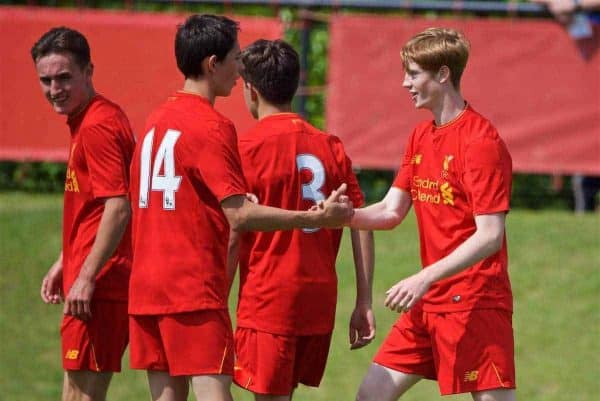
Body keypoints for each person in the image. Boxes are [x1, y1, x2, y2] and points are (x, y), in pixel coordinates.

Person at [127, 15, 353, 401]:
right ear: (212, 64)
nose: (239, 70)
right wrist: (314, 217)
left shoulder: (154, 120)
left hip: (146, 286)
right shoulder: (213, 126)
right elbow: (240, 216)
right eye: (234, 59)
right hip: (191, 290)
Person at [349, 28, 516, 401]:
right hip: (429, 304)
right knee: (370, 396)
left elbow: (490, 235)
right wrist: (341, 216)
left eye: (413, 73)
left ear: (442, 74)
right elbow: (391, 211)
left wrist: (423, 278)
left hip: (475, 302)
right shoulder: (420, 136)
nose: (404, 83)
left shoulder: (481, 142)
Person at [228, 39, 375, 401]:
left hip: (268, 300)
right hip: (318, 300)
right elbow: (362, 221)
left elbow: (232, 226)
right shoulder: (330, 145)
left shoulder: (244, 149)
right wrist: (364, 301)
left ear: (251, 90)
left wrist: (217, 302)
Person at [32, 27, 135, 401]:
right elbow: (95, 205)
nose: (54, 89)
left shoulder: (98, 126)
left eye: (64, 77)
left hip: (100, 288)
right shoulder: (92, 118)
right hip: (97, 280)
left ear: (88, 71)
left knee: (79, 396)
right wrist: (67, 259)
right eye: (45, 80)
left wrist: (86, 276)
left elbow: (118, 207)